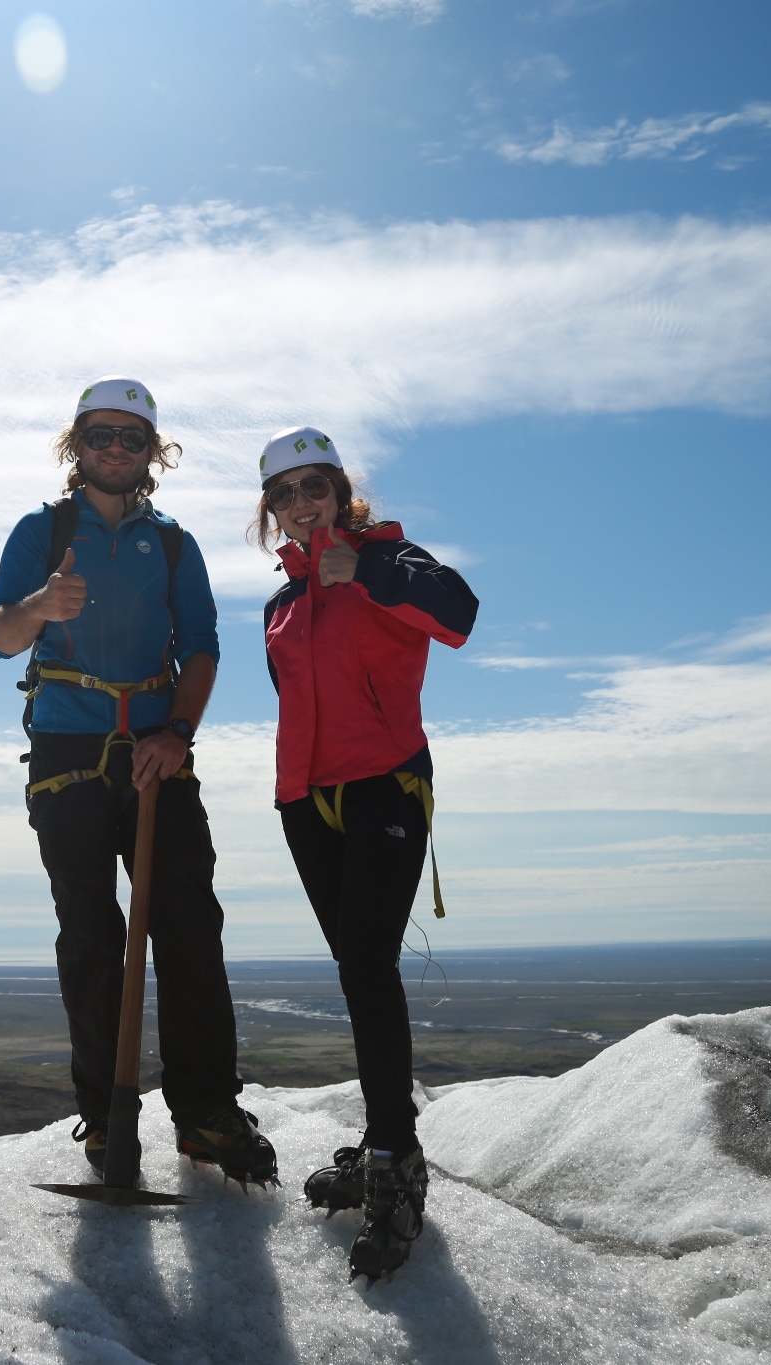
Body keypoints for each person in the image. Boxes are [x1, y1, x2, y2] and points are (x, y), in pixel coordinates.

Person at [0, 377, 276, 1186]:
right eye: (102, 435)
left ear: (154, 452)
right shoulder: (41, 534)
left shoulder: (174, 543)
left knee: (188, 924)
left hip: (157, 749)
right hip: (69, 751)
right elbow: (0, 636)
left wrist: (178, 733)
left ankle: (206, 1112)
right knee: (90, 935)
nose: (117, 449)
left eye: (133, 437)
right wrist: (42, 603)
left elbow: (204, 646)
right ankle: (107, 1117)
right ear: (76, 444)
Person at [254, 426, 478, 1281]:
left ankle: (395, 1161)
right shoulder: (279, 602)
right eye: (285, 492)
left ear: (343, 492)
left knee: (369, 968)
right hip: (306, 801)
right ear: (270, 507)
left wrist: (371, 571)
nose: (302, 504)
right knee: (356, 966)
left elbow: (458, 616)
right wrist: (292, 792)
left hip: (386, 786)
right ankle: (383, 1141)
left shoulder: (391, 556)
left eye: (317, 486)